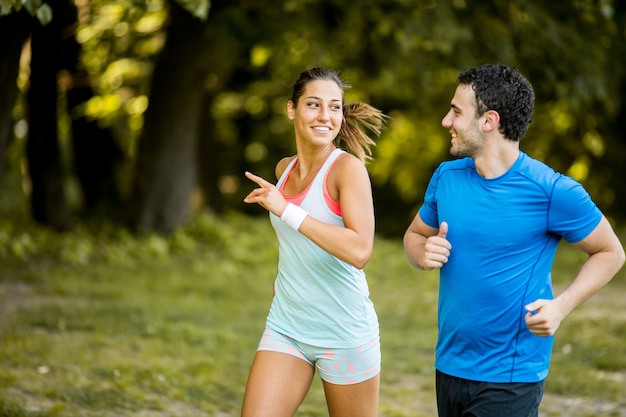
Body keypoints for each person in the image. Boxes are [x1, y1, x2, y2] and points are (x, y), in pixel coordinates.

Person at [403, 63, 625, 417]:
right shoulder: (446, 177)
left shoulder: (552, 191)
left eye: (456, 112)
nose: (446, 121)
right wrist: (422, 253)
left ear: (488, 121)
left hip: (511, 374)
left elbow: (610, 252)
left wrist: (561, 306)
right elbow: (415, 236)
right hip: (449, 364)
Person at [241, 67, 387, 417]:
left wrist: (286, 210)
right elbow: (295, 243)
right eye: (314, 105)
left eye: (334, 107)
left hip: (344, 332)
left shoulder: (347, 170)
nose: (325, 116)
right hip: (287, 325)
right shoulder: (283, 170)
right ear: (291, 109)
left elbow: (360, 250)